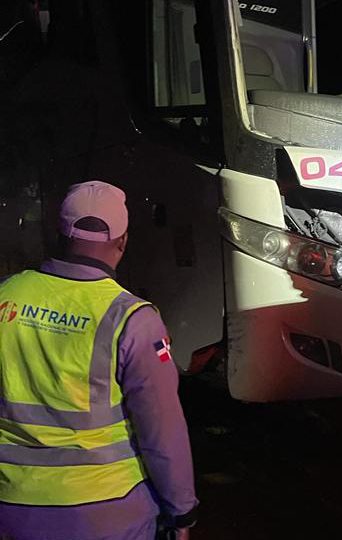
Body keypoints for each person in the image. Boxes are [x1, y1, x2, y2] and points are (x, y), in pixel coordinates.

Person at [0, 181, 198, 540]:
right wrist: (182, 511)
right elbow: (162, 430)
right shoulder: (131, 318)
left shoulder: (6, 295)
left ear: (59, 233)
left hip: (10, 507)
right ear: (122, 242)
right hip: (106, 514)